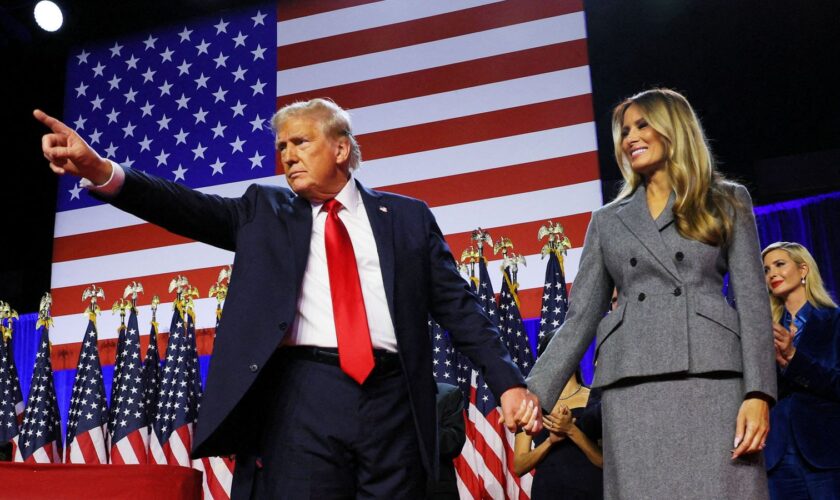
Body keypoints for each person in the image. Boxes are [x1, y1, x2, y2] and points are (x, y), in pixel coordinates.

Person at [34, 99, 541, 498]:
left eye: (300, 142)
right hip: (303, 397)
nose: (288, 155)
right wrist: (100, 170)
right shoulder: (264, 209)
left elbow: (460, 307)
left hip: (395, 400)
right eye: (282, 147)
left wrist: (509, 384)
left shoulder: (406, 217)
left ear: (341, 149)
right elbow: (183, 207)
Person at [526, 88, 776, 498]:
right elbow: (581, 317)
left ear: (673, 129)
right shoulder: (607, 221)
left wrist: (759, 392)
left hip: (713, 381)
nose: (629, 138)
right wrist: (533, 393)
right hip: (633, 387)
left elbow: (752, 305)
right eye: (624, 130)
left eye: (642, 125)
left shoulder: (727, 200)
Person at [761, 241, 840, 499]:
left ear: (803, 269)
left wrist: (794, 357)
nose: (772, 273)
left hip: (826, 453)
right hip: (777, 457)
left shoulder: (834, 321)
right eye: (766, 269)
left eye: (779, 264)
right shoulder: (763, 332)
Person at [514, 333, 603, 500]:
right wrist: (550, 442)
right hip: (547, 491)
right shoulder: (532, 404)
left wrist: (571, 430)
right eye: (554, 352)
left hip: (591, 490)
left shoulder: (595, 399)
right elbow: (519, 466)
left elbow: (604, 461)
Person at [429, 382, 466, 500]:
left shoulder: (447, 394)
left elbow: (453, 445)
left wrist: (420, 419)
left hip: (435, 489)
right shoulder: (382, 400)